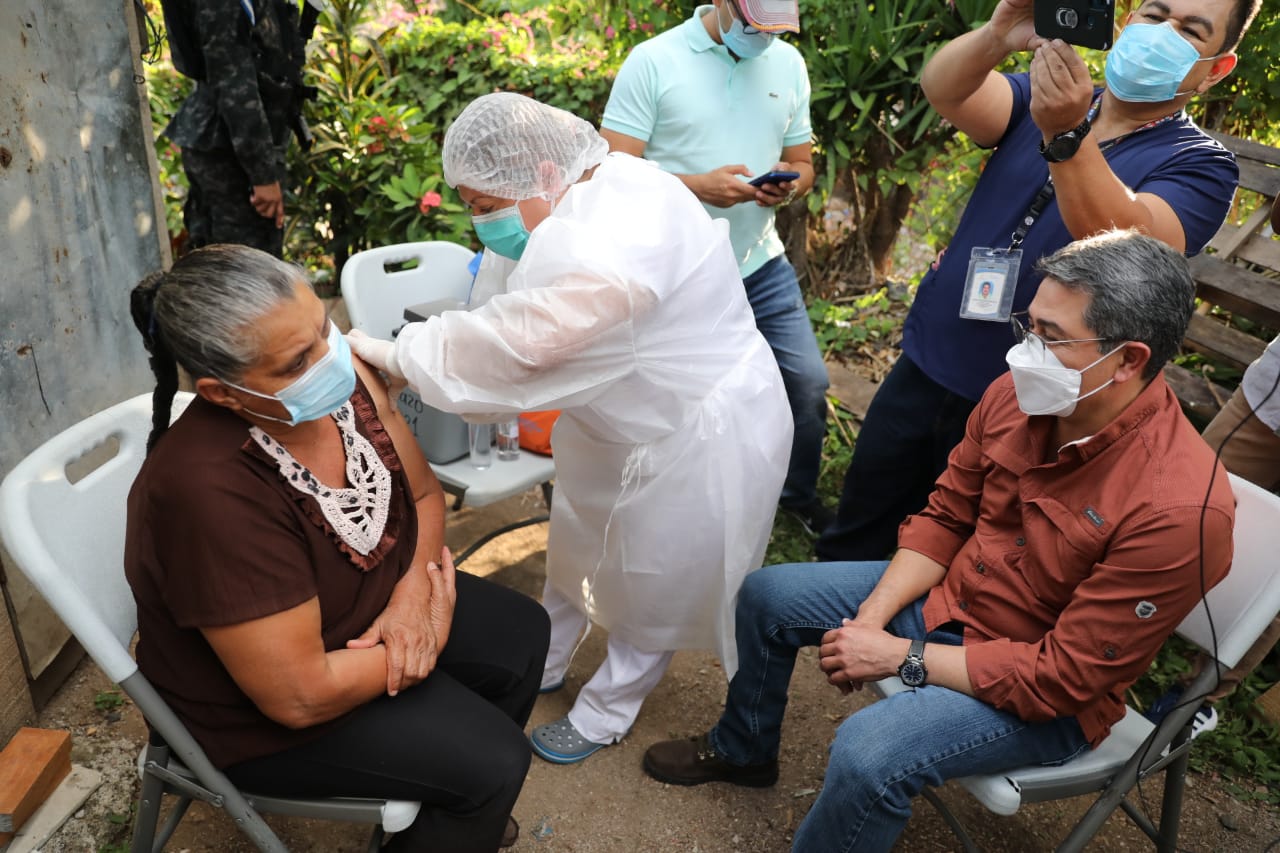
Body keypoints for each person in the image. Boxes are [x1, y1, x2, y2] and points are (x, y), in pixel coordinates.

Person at [643, 230, 1235, 851]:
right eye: (1028, 326)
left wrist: (898, 657)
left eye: (1052, 337)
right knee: (768, 597)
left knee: (869, 753)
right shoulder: (1018, 395)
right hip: (954, 604)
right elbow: (948, 517)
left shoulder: (1178, 509)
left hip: (1040, 690)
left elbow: (1063, 678)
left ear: (1129, 359)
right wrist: (870, 620)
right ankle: (745, 750)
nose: (1025, 353)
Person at [347, 92, 792, 765]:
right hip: (618, 418)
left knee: (655, 573)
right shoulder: (566, 198)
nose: (477, 220)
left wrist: (396, 355)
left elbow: (520, 347)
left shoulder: (613, 241)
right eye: (467, 203)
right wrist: (425, 355)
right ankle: (541, 659)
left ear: (542, 172)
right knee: (579, 543)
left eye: (482, 204)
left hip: (697, 427)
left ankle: (608, 707)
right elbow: (500, 303)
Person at [125, 245, 549, 852]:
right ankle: (468, 798)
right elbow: (300, 696)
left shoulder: (334, 389)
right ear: (223, 395)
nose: (334, 359)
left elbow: (426, 497)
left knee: (521, 634)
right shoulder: (210, 492)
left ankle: (451, 814)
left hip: (358, 612)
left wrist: (411, 599)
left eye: (324, 328)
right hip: (264, 713)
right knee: (494, 761)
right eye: (299, 360)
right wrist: (421, 641)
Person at [816, 0, 1260, 562]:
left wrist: (1069, 134)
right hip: (935, 353)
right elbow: (945, 90)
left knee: (959, 555)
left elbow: (1127, 240)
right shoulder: (1049, 98)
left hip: (1030, 403)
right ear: (1125, 22)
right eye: (1155, 15)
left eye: (1191, 31)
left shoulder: (1201, 165)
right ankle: (819, 622)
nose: (1162, 34)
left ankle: (905, 647)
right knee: (863, 517)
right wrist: (997, 35)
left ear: (1216, 67)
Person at [598, 0, 832, 534]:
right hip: (676, 269)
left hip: (759, 261)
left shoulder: (788, 64)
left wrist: (788, 185)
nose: (763, 38)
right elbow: (611, 173)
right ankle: (685, 510)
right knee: (686, 401)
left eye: (775, 30)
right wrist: (697, 186)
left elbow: (804, 163)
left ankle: (793, 496)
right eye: (754, 25)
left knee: (807, 385)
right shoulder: (653, 61)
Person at [162, 0, 312, 257]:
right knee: (247, 270)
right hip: (230, 152)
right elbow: (234, 85)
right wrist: (262, 175)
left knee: (226, 264)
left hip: (229, 143)